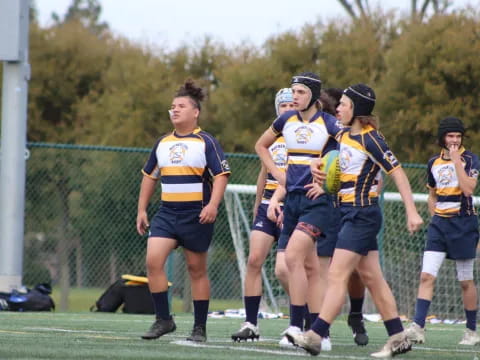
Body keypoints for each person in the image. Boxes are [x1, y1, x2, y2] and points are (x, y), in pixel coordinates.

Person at [286, 83, 424, 358]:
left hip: (362, 215)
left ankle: (315, 335)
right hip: (349, 213)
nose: (338, 107)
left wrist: (412, 210)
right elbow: (336, 161)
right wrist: (318, 163)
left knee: (337, 275)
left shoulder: (372, 139)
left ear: (357, 110)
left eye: (344, 105)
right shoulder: (345, 135)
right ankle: (397, 336)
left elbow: (397, 173)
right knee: (373, 277)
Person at [136, 79, 230, 343]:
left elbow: (221, 175)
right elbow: (149, 176)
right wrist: (141, 209)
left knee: (195, 269)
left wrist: (213, 205)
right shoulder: (162, 143)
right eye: (172, 107)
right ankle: (164, 320)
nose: (174, 110)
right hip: (167, 214)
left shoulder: (206, 141)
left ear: (195, 112)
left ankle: (199, 327)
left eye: (181, 106)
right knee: (153, 261)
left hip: (196, 214)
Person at [255, 72, 342, 351]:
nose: (295, 96)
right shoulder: (285, 121)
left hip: (316, 203)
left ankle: (295, 327)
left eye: (301, 92)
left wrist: (327, 185)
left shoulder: (329, 123)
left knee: (293, 257)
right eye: (293, 91)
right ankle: (320, 334)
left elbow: (350, 150)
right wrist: (280, 176)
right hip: (291, 201)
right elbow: (261, 145)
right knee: (309, 266)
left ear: (314, 96)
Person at [405, 117, 480, 346]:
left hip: (464, 224)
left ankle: (471, 330)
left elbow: (468, 189)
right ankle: (418, 327)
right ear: (442, 138)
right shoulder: (432, 163)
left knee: (465, 281)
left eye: (458, 136)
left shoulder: (471, 159)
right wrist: (434, 216)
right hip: (439, 225)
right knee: (426, 275)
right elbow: (432, 195)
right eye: (450, 136)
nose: (455, 141)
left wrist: (457, 161)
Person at [231, 88, 294, 342]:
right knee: (254, 260)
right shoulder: (272, 139)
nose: (288, 110)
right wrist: (259, 204)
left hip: (292, 208)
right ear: (277, 109)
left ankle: (302, 318)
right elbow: (263, 174)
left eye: (292, 105)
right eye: (283, 106)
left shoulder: (305, 140)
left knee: (286, 269)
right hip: (268, 206)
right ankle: (251, 323)